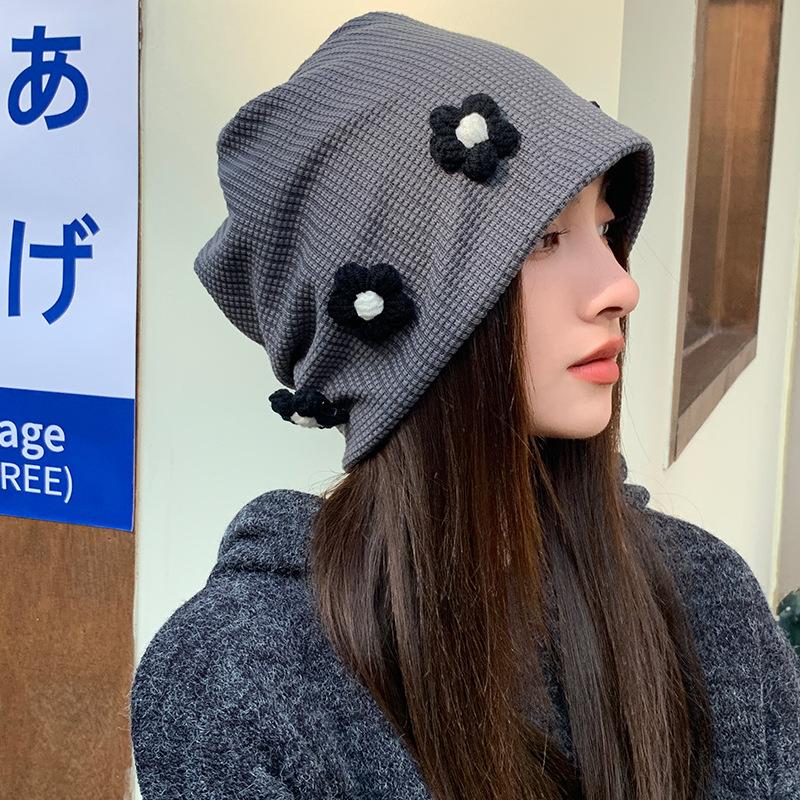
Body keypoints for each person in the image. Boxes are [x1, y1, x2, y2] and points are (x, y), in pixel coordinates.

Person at [129, 11, 800, 800]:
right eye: (544, 238)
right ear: (386, 319)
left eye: (603, 228)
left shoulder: (707, 601)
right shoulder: (241, 683)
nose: (621, 286)